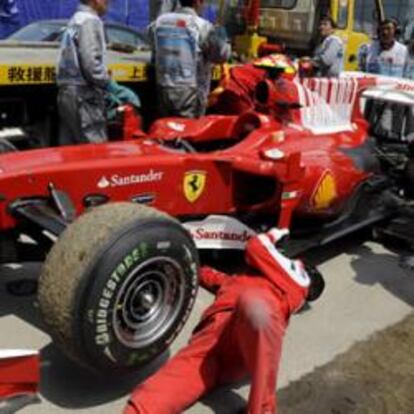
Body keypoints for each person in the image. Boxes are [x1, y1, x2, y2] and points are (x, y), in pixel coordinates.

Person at [123, 229, 325, 414]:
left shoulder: (299, 278)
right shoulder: (243, 280)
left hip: (245, 328)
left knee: (255, 307)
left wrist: (275, 233)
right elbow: (212, 277)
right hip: (213, 347)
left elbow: (256, 246)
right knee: (153, 397)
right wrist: (187, 264)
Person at [149, 0, 231, 118]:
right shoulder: (203, 27)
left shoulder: (159, 23)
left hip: (163, 90)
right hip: (190, 95)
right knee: (187, 131)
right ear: (197, 2)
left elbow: (152, 42)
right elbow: (222, 55)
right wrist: (220, 33)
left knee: (167, 128)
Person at [56, 0, 110, 145]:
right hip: (85, 95)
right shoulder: (90, 21)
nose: (110, 3)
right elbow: (91, 63)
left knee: (70, 152)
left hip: (67, 90)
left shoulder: (76, 19)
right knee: (95, 150)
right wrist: (107, 82)